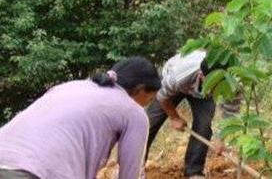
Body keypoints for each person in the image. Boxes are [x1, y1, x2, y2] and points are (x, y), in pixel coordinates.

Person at [0, 57, 161, 179]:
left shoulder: (70, 86)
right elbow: (130, 175)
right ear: (140, 90)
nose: (147, 105)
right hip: (37, 172)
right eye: (150, 99)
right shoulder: (133, 112)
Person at [145, 50, 233, 179]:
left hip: (201, 94)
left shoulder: (231, 83)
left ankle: (194, 171)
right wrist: (174, 117)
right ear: (202, 75)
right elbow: (162, 96)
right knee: (149, 124)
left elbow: (230, 111)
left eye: (219, 85)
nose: (216, 88)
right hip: (173, 87)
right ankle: (133, 168)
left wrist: (221, 138)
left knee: (203, 126)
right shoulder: (179, 74)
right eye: (213, 84)